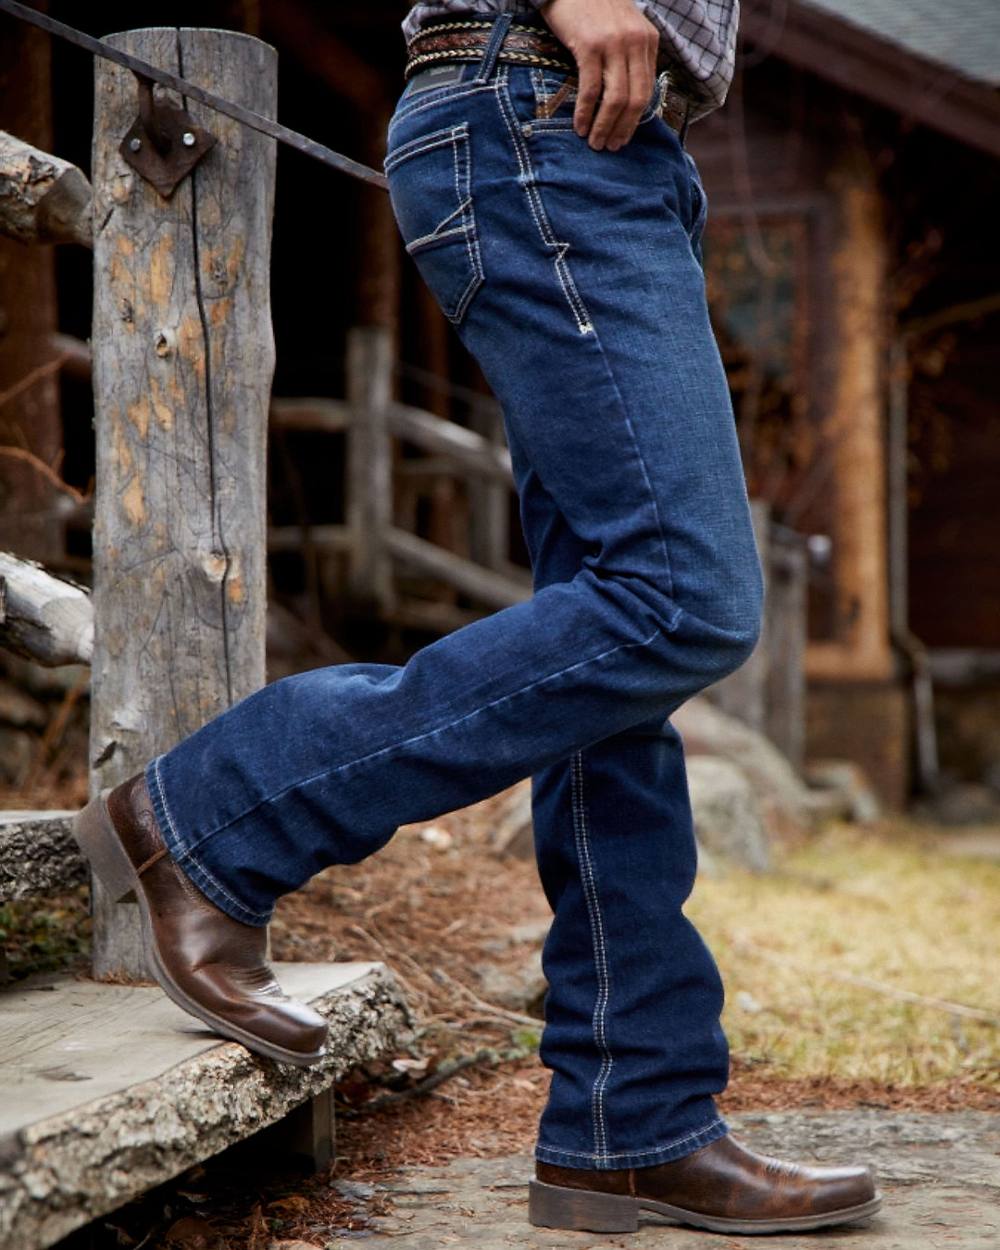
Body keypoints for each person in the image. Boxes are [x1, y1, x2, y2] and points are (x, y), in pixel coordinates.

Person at [73, 0, 883, 1236]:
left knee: (613, 647)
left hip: (599, 132)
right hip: (536, 99)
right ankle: (223, 809)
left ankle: (632, 1118)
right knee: (684, 596)